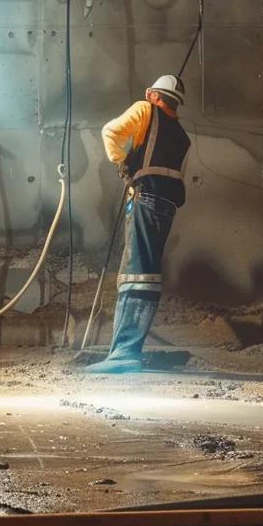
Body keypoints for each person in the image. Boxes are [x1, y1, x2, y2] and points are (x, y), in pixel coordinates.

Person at [87, 75, 191, 374]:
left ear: (153, 95)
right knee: (148, 273)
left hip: (145, 199)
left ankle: (124, 354)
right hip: (167, 207)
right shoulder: (183, 137)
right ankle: (128, 349)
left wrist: (122, 162)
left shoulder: (145, 109)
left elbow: (111, 132)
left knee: (136, 272)